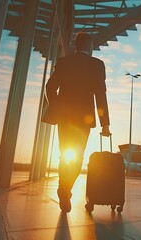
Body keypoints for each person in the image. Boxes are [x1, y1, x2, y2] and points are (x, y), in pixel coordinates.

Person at [46, 32, 111, 212]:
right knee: (77, 156)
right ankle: (65, 188)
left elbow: (50, 87)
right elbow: (100, 95)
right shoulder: (97, 65)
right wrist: (105, 123)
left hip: (64, 116)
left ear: (75, 45)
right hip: (84, 118)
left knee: (64, 154)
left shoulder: (64, 62)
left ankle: (63, 187)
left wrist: (57, 104)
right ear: (90, 47)